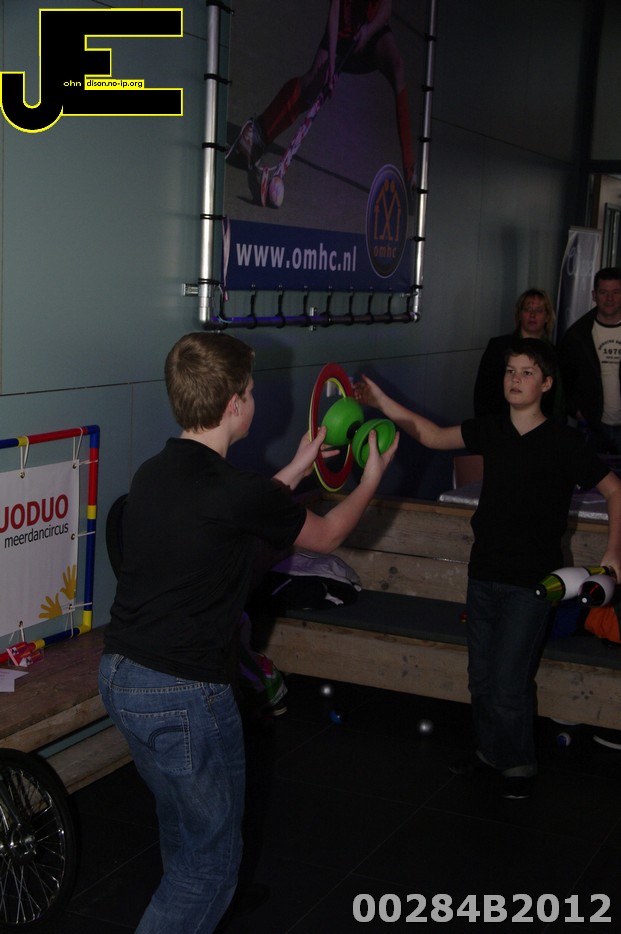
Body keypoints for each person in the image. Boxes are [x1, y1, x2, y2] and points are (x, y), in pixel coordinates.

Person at [98, 332, 398, 934]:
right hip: (184, 692)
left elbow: (239, 508)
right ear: (235, 404)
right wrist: (371, 478)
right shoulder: (233, 490)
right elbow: (329, 534)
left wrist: (299, 465)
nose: (255, 400)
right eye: (253, 391)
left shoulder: (156, 471)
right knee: (210, 870)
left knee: (183, 832)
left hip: (121, 676)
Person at [355, 338, 621, 799]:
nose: (515, 379)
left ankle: (519, 764)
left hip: (533, 583)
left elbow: (615, 490)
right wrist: (381, 403)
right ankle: (490, 751)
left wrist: (614, 551)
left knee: (508, 680)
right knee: (480, 677)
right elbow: (431, 435)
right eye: (510, 371)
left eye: (526, 372)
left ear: (546, 384)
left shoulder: (563, 441)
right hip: (483, 573)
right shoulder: (491, 429)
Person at [227, 0, 416, 205]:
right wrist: (332, 63)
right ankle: (258, 134)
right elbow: (335, 7)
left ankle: (410, 173)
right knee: (311, 85)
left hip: (372, 27)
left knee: (397, 66)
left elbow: (386, 7)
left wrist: (369, 30)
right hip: (343, 29)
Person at [473, 288, 563, 420]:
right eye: (527, 309)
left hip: (542, 426)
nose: (532, 315)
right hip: (500, 424)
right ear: (519, 315)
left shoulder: (554, 353)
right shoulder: (498, 346)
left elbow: (558, 400)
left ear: (547, 317)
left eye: (539, 310)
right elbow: (482, 394)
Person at [558, 267, 621, 453]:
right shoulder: (577, 335)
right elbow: (565, 378)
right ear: (594, 295)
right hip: (592, 427)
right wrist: (577, 411)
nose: (609, 298)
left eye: (616, 292)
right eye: (603, 292)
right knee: (590, 471)